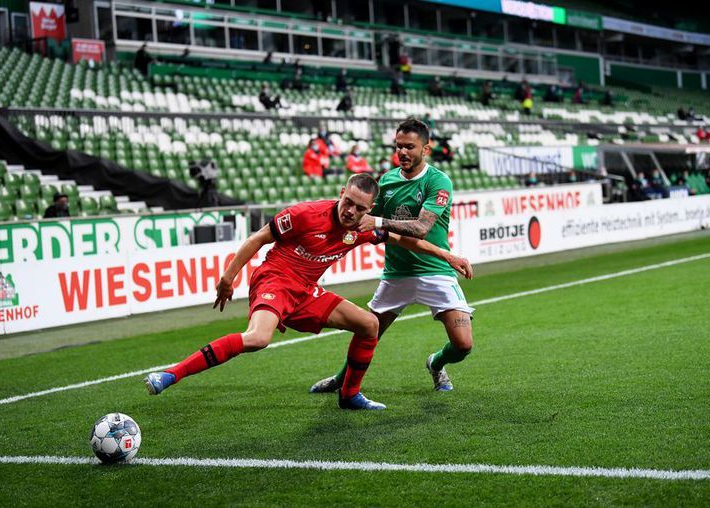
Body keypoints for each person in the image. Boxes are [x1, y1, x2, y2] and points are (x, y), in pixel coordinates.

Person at [145, 174, 472, 411]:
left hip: (306, 292)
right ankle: (171, 375)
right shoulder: (305, 214)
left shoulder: (364, 228)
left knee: (369, 324)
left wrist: (449, 255)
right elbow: (258, 238)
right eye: (347, 203)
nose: (350, 212)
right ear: (341, 193)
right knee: (258, 339)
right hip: (274, 280)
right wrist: (228, 278)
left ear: (370, 209)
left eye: (359, 208)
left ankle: (349, 395)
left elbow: (407, 240)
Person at [310, 119, 475, 395]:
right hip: (396, 274)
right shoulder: (386, 182)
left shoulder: (438, 181)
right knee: (367, 331)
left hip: (435, 271)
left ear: (426, 149)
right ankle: (341, 379)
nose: (403, 152)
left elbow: (421, 228)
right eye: (398, 146)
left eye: (410, 146)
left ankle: (435, 363)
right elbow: (365, 219)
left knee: (463, 344)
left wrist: (378, 222)